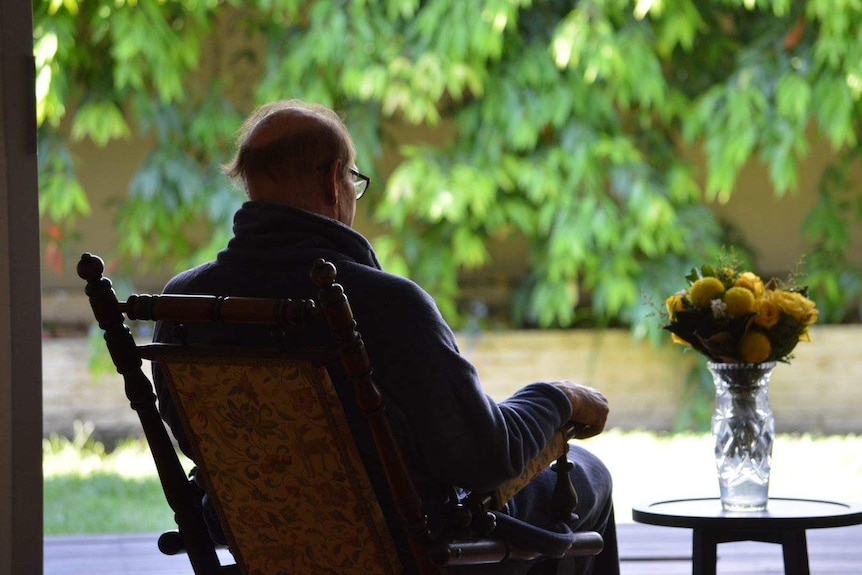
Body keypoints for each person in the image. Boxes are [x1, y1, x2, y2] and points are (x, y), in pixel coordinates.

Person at [152, 99, 620, 575]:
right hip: (409, 549)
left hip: (270, 542)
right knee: (589, 476)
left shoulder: (182, 302)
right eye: (354, 179)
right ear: (333, 179)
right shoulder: (385, 305)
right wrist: (557, 397)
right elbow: (485, 459)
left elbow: (200, 445)